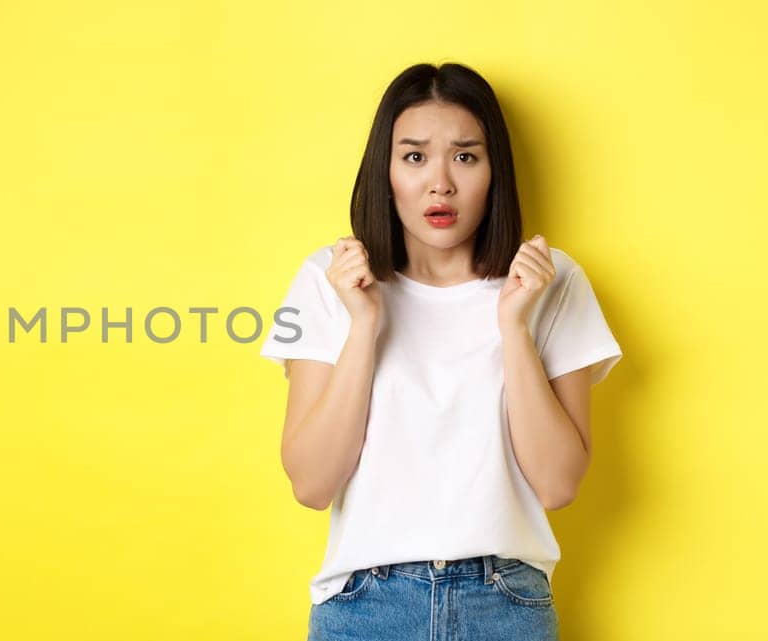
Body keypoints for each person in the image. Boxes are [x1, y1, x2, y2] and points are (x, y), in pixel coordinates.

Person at [259, 62, 623, 641]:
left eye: (464, 156)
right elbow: (311, 483)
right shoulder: (329, 279)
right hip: (364, 608)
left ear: (493, 172)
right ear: (386, 172)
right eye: (414, 156)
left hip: (505, 605)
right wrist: (363, 326)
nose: (441, 183)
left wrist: (514, 327)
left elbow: (558, 485)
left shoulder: (552, 281)